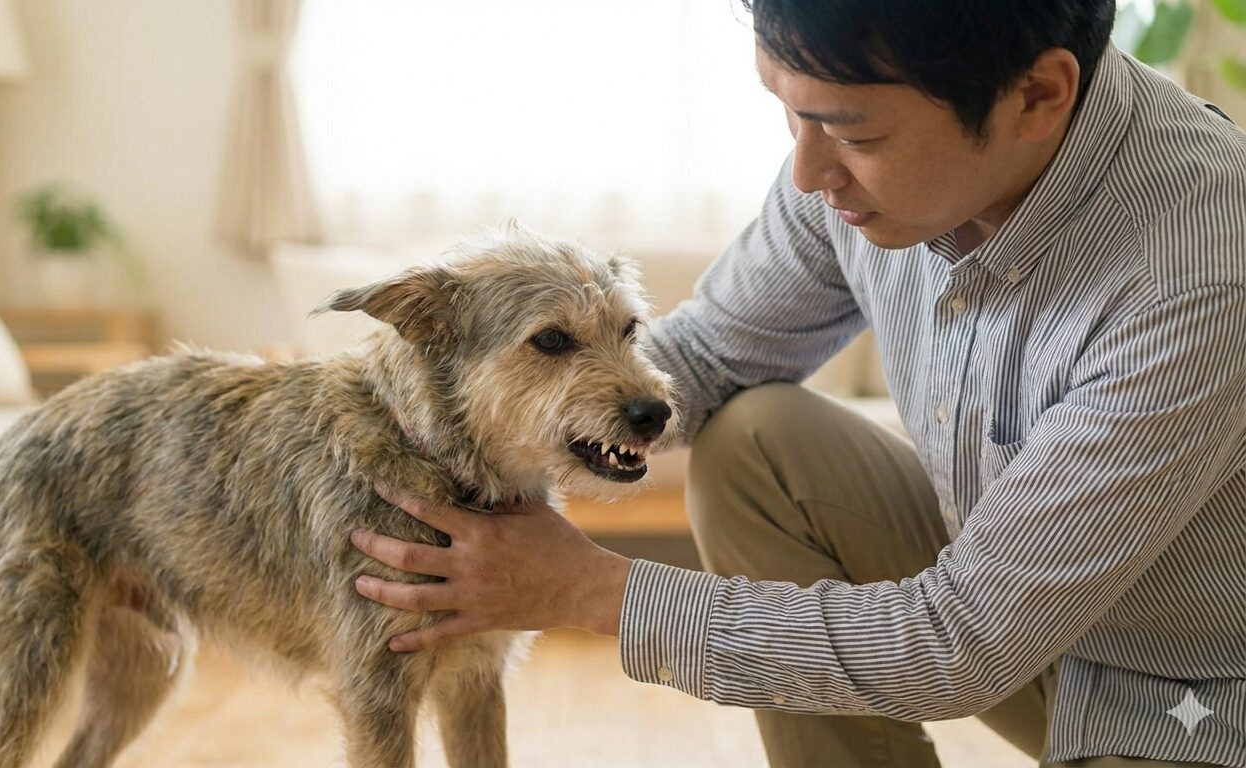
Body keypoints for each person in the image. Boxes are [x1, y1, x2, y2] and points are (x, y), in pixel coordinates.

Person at [349, 1, 1246, 765]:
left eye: (856, 132)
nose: (809, 174)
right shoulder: (852, 176)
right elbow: (700, 363)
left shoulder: (1201, 275)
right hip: (1022, 620)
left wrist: (586, 589)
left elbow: (961, 643)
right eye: (792, 114)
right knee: (756, 443)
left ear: (1039, 96)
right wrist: (443, 441)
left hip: (1185, 700)